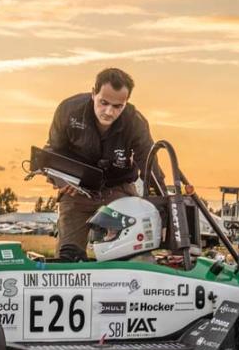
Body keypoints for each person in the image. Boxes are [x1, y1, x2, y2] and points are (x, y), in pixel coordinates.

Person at [46, 67, 163, 259]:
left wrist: (161, 206)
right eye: (103, 103)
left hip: (119, 192)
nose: (109, 112)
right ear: (93, 93)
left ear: (126, 102)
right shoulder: (69, 111)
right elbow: (52, 151)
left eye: (118, 106)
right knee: (67, 257)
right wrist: (61, 181)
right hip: (77, 192)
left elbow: (150, 166)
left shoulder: (135, 122)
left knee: (135, 253)